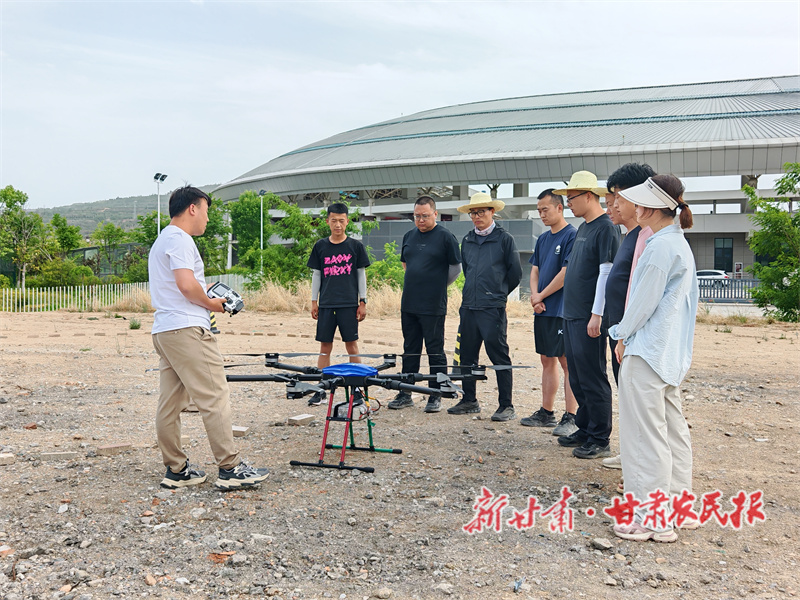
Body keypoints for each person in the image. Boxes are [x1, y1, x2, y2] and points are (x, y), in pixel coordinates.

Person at [149, 185, 269, 490]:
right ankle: (230, 467)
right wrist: (213, 304)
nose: (206, 217)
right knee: (215, 396)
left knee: (169, 404)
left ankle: (176, 470)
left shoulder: (162, 239)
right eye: (206, 210)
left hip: (165, 329)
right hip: (188, 329)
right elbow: (187, 286)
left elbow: (182, 285)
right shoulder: (180, 239)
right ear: (192, 208)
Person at [608, 174, 699, 542]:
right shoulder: (676, 243)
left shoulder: (660, 247)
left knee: (644, 437)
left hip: (647, 351)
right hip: (668, 353)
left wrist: (621, 333)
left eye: (637, 201)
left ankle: (653, 518)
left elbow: (642, 304)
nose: (630, 206)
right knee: (671, 431)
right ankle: (680, 508)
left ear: (650, 206)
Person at [553, 171, 619, 459]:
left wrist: (597, 314)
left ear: (589, 196)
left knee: (593, 376)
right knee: (577, 377)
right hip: (571, 315)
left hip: (588, 317)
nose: (569, 204)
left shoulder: (606, 228)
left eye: (571, 198)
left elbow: (607, 272)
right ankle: (585, 426)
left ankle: (600, 437)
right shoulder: (583, 228)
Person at [447, 193, 522, 421]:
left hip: (492, 308)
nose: (477, 216)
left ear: (492, 212)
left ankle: (506, 405)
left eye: (482, 212)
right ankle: (469, 400)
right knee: (467, 356)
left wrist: (496, 294)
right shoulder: (467, 240)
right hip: (469, 306)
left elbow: (515, 274)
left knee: (498, 355)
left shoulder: (504, 239)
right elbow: (468, 271)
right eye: (473, 212)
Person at [601, 163, 656, 471]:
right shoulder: (631, 235)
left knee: (639, 401)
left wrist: (626, 334)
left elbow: (642, 296)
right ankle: (631, 454)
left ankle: (640, 462)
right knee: (628, 396)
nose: (614, 205)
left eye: (618, 197)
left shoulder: (647, 238)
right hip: (621, 331)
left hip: (633, 336)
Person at [388, 196, 461, 413]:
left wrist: (437, 285)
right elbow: (405, 263)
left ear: (435, 214)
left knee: (434, 349)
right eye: (417, 216)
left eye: (425, 216)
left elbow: (455, 268)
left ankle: (435, 393)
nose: (420, 220)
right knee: (410, 349)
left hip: (432, 304)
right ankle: (405, 392)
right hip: (409, 303)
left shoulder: (446, 237)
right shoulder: (409, 236)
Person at [520, 189, 578, 436]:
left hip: (561, 309)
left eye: (546, 209)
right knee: (547, 359)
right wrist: (535, 297)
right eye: (539, 210)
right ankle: (547, 412)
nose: (542, 214)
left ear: (559, 208)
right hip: (542, 309)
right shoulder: (543, 239)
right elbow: (535, 270)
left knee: (567, 362)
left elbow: (566, 274)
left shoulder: (571, 236)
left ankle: (572, 416)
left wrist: (541, 296)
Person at [307, 203, 371, 406]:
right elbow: (317, 274)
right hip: (326, 303)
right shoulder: (320, 246)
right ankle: (321, 387)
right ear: (327, 221)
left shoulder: (355, 246)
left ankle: (358, 389)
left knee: (352, 345)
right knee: (325, 346)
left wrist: (363, 300)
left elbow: (361, 274)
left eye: (341, 220)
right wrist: (314, 300)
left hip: (349, 304)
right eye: (333, 220)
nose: (337, 224)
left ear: (347, 221)